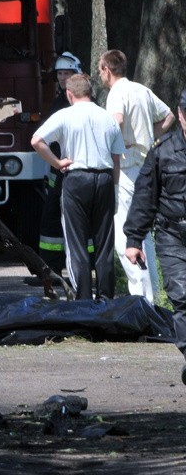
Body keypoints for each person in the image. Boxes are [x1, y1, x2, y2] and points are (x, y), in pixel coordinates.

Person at [31, 74, 125, 300]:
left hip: (76, 179)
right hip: (103, 179)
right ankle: (106, 300)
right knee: (104, 244)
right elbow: (116, 159)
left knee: (77, 243)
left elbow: (36, 140)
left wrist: (57, 162)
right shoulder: (108, 117)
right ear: (91, 92)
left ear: (69, 94)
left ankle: (83, 301)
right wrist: (114, 188)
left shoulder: (65, 115)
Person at [100, 49, 175, 302]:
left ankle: (140, 299)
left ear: (107, 70)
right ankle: (152, 293)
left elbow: (117, 121)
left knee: (125, 232)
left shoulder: (116, 93)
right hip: (146, 162)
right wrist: (150, 137)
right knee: (143, 231)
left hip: (127, 166)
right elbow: (169, 116)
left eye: (100, 70)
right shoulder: (141, 89)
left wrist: (113, 149)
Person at [124, 88, 186, 385]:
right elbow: (145, 197)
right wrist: (134, 240)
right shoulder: (162, 150)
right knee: (182, 296)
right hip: (173, 234)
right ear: (180, 113)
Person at [37, 52, 82, 278]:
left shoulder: (75, 103)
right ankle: (51, 270)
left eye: (68, 73)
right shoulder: (58, 102)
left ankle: (80, 269)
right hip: (58, 170)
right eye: (60, 74)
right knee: (51, 221)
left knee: (72, 221)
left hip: (71, 169)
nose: (63, 78)